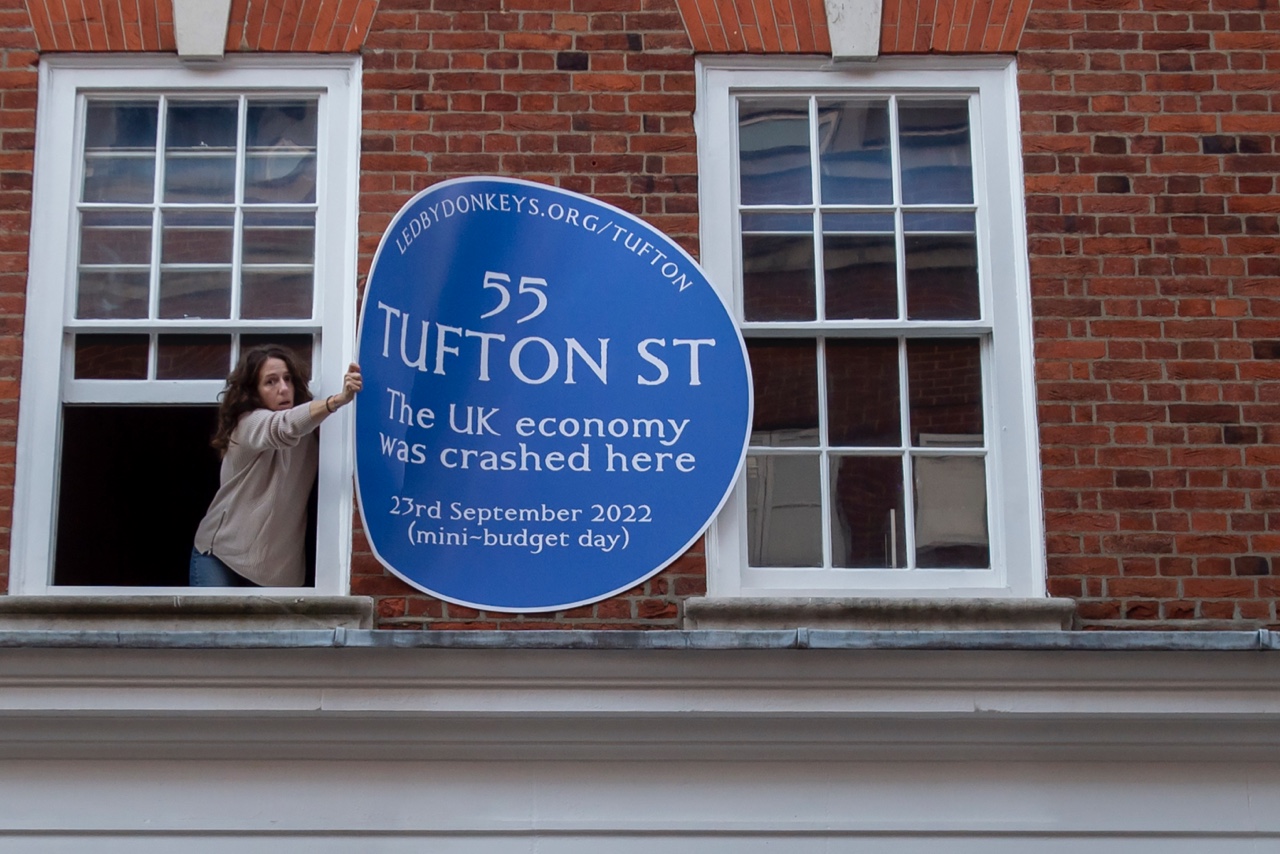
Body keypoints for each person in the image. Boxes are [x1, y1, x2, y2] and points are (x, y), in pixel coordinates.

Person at [190, 345, 362, 587]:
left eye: (287, 379)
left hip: (278, 574)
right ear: (254, 392)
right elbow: (283, 427)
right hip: (222, 557)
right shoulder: (248, 425)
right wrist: (337, 400)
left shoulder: (311, 433)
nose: (283, 388)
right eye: (270, 382)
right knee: (215, 626)